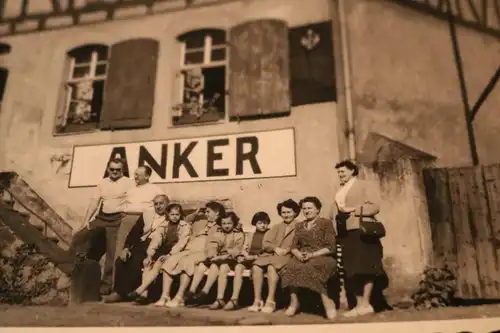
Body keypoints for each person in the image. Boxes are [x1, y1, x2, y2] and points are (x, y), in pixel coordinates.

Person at [68, 158, 135, 294]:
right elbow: (94, 202)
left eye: (118, 170)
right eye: (112, 169)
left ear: (122, 170)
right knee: (80, 236)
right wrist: (85, 221)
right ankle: (73, 270)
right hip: (102, 217)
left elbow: (133, 202)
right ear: (108, 169)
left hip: (118, 219)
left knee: (112, 252)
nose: (115, 172)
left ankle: (107, 284)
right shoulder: (103, 183)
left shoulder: (129, 183)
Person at [332, 160, 390, 317]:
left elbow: (375, 206)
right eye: (338, 172)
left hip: (361, 230)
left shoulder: (364, 185)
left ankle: (366, 304)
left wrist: (354, 210)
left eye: (342, 171)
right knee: (352, 269)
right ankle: (359, 305)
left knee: (366, 267)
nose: (340, 175)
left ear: (352, 171)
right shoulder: (341, 189)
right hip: (346, 232)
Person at [103, 194, 172, 303]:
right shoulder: (147, 214)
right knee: (121, 260)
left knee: (136, 262)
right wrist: (126, 248)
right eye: (156, 204)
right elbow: (134, 233)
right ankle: (118, 292)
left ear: (168, 204)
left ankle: (128, 293)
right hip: (142, 243)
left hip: (159, 247)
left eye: (161, 203)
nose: (158, 206)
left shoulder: (172, 216)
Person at [160, 201, 226, 308]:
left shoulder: (221, 225)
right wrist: (195, 214)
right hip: (189, 248)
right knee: (170, 260)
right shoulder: (202, 222)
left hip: (203, 251)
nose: (206, 214)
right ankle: (165, 295)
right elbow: (185, 220)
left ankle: (179, 297)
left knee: (186, 262)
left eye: (208, 212)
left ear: (217, 213)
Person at [280, 196, 338, 320]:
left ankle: (328, 302)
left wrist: (312, 255)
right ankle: (294, 302)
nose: (307, 211)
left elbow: (331, 247)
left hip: (323, 256)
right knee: (291, 266)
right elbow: (294, 246)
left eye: (310, 208)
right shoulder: (300, 225)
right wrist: (298, 254)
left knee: (313, 266)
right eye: (304, 208)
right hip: (303, 256)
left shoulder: (325, 223)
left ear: (318, 209)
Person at [125, 203, 192, 305]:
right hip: (165, 251)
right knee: (147, 264)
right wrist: (149, 255)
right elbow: (155, 241)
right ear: (168, 215)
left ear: (181, 215)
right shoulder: (163, 226)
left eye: (177, 214)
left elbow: (181, 243)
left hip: (178, 253)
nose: (175, 217)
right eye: (172, 214)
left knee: (158, 264)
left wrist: (169, 255)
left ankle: (140, 289)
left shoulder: (185, 226)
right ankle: (144, 295)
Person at [250, 199, 301, 313]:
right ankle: (257, 300)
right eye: (283, 212)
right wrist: (275, 248)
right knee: (256, 266)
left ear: (295, 212)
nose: (286, 215)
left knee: (271, 267)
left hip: (290, 256)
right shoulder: (276, 227)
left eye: (289, 212)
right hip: (274, 255)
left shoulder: (300, 226)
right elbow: (266, 243)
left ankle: (271, 300)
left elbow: (302, 243)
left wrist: (288, 249)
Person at [189, 212, 245, 309]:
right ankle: (206, 292)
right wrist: (213, 252)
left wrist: (223, 256)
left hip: (232, 259)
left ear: (234, 223)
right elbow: (213, 244)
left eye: (229, 223)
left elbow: (237, 250)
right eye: (224, 223)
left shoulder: (238, 234)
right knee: (213, 265)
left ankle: (219, 297)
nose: (226, 226)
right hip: (219, 258)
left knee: (222, 267)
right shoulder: (219, 233)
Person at [223, 211, 271, 311]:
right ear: (255, 224)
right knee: (238, 267)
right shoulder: (251, 235)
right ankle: (234, 299)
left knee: (255, 268)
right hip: (249, 258)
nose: (262, 225)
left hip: (261, 259)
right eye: (259, 223)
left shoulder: (270, 234)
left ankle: (258, 300)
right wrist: (245, 255)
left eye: (265, 223)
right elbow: (244, 248)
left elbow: (268, 251)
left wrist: (254, 257)